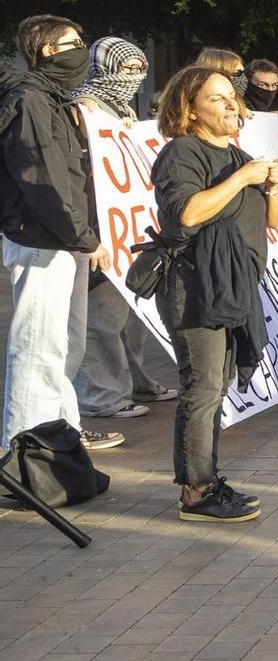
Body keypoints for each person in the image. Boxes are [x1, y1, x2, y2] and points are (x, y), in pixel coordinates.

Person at [152, 66, 278, 522]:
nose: (232, 105)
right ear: (190, 111)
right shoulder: (182, 153)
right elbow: (187, 214)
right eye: (217, 98)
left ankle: (208, 479)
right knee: (203, 386)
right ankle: (195, 491)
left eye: (232, 96)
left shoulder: (237, 154)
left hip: (232, 287)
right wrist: (243, 177)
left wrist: (272, 187)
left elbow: (271, 222)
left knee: (216, 388)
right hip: (195, 287)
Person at [1, 15, 122, 451]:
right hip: (41, 240)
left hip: (61, 239)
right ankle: (27, 449)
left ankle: (61, 435)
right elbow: (45, 177)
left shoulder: (51, 101)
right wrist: (85, 237)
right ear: (49, 51)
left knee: (62, 344)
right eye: (75, 42)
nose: (83, 49)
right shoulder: (29, 100)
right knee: (37, 347)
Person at [71, 38, 179, 420]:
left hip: (125, 227)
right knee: (103, 319)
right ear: (104, 67)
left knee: (132, 314)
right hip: (98, 226)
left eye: (138, 70)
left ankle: (136, 382)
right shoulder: (82, 107)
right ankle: (102, 396)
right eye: (126, 69)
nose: (133, 78)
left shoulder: (116, 108)